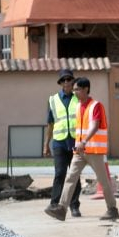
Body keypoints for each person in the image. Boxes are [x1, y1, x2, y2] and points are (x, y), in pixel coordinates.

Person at [45, 77, 119, 222]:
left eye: (77, 89)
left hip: (94, 151)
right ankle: (62, 208)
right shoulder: (78, 106)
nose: (74, 92)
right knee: (70, 178)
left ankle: (112, 209)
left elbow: (95, 125)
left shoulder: (95, 105)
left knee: (103, 181)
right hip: (79, 152)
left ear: (86, 89)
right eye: (74, 89)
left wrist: (84, 141)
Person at [44, 68, 83, 217]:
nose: (66, 82)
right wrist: (46, 144)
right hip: (59, 142)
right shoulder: (53, 100)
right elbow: (50, 123)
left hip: (75, 142)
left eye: (69, 79)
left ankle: (74, 206)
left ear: (73, 81)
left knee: (74, 175)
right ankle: (54, 204)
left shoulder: (78, 99)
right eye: (64, 80)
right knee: (60, 174)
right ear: (60, 83)